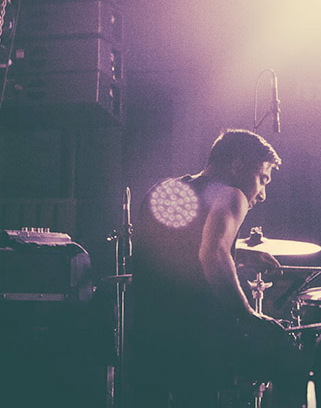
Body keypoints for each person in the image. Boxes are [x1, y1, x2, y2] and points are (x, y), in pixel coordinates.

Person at [128, 129, 305, 407]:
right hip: (194, 344)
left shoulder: (165, 190)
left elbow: (177, 249)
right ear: (237, 166)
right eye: (262, 179)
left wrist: (241, 253)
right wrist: (248, 317)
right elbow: (212, 254)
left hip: (147, 337)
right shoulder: (232, 195)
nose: (263, 194)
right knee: (287, 353)